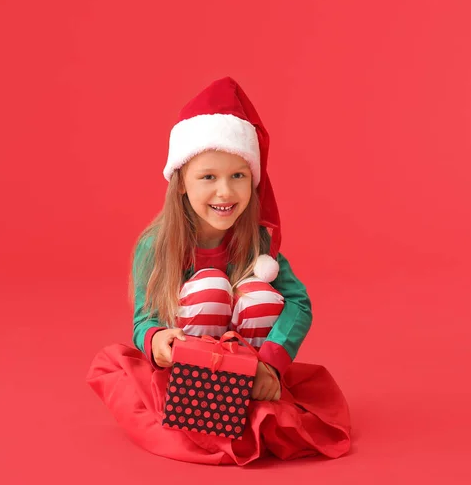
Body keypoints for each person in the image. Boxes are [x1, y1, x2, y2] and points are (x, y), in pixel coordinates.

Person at [87, 77, 351, 465]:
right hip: (191, 371)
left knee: (261, 295)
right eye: (208, 177)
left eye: (238, 176)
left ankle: (249, 395)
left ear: (253, 181)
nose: (225, 193)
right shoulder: (155, 246)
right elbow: (145, 318)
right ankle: (204, 399)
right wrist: (158, 340)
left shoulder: (259, 241)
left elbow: (298, 302)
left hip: (251, 367)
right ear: (181, 184)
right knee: (209, 286)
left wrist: (271, 364)